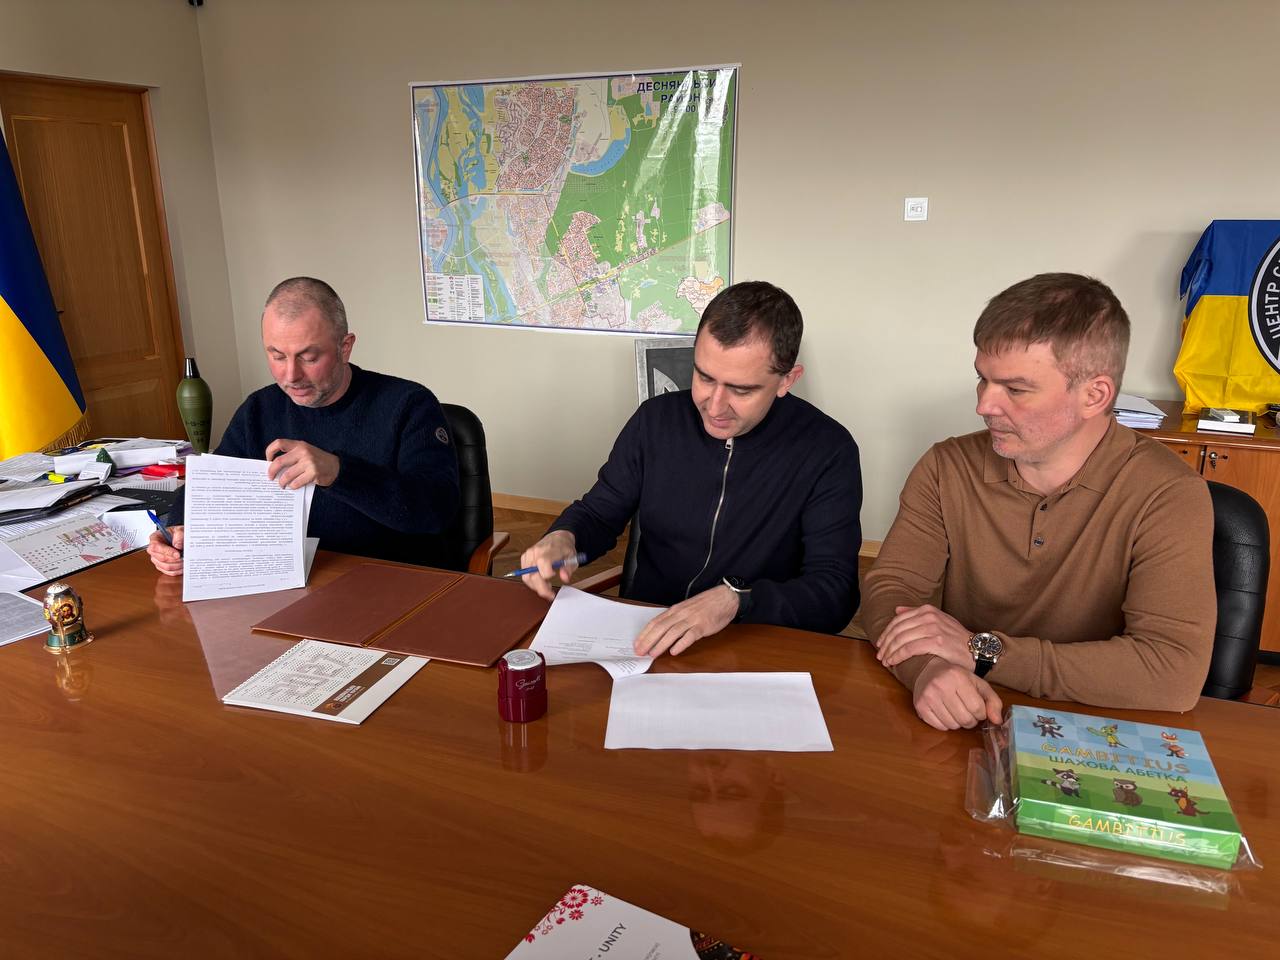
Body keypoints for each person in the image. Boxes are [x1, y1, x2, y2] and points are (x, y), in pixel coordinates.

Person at [863, 273, 1215, 731]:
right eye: (983, 380)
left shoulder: (1168, 494)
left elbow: (1172, 672)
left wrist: (981, 651)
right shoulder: (946, 465)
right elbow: (892, 589)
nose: (984, 405)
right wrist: (926, 668)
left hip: (1093, 724)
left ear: (1094, 395)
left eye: (1015, 389)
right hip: (962, 708)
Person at [518, 280, 862, 657]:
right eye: (704, 377)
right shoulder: (655, 421)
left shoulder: (828, 450)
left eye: (741, 390)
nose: (714, 406)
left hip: (752, 644)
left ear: (787, 380)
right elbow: (599, 513)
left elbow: (835, 593)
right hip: (646, 637)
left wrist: (737, 600)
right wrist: (564, 536)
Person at [147, 277, 459, 574]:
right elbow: (209, 487)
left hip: (393, 581)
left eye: (308, 357)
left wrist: (338, 472)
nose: (291, 375)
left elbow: (437, 510)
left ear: (345, 347)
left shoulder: (409, 405)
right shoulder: (259, 409)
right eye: (277, 356)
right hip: (291, 580)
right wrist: (177, 527)